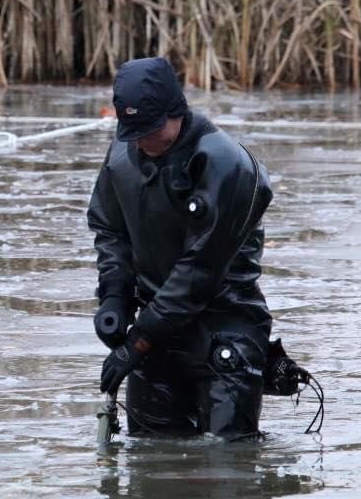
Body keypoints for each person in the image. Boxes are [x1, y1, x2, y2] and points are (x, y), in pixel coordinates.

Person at [86, 56, 274, 439]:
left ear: (177, 111)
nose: (142, 141)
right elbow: (109, 229)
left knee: (229, 468)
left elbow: (199, 270)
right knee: (150, 465)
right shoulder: (122, 158)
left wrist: (136, 342)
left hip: (225, 328)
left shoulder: (226, 165)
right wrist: (115, 297)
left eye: (151, 130)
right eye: (133, 131)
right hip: (156, 338)